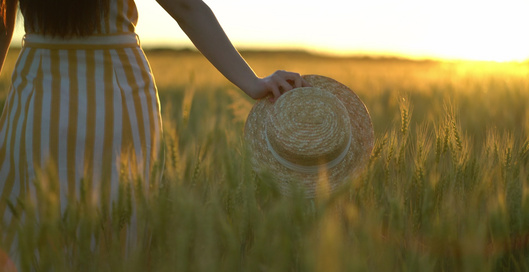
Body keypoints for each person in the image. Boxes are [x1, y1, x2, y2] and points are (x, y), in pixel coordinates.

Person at [0, 0, 309, 209]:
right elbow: (186, 7)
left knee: (33, 217)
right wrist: (251, 82)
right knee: (120, 227)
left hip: (39, 90)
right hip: (118, 91)